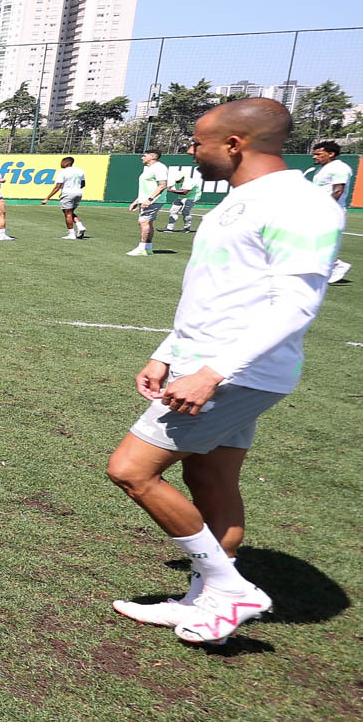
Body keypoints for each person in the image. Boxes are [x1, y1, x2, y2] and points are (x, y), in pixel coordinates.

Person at [105, 98, 344, 645]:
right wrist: (167, 351)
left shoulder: (298, 204)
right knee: (209, 477)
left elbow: (295, 304)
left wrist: (213, 372)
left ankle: (228, 588)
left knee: (131, 470)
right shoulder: (241, 201)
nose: (192, 152)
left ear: (234, 144)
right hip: (205, 362)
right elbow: (216, 295)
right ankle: (205, 601)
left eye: (198, 143)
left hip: (236, 372)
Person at [309, 140, 353, 283]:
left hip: (331, 212)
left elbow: (338, 191)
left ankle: (337, 265)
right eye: (314, 154)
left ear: (331, 154)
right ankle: (328, 267)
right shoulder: (322, 168)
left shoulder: (339, 168)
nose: (314, 157)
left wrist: (325, 208)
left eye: (318, 154)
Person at [126, 150, 169, 256]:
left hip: (153, 201)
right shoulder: (149, 168)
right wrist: (137, 201)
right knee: (147, 223)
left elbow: (162, 185)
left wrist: (149, 200)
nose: (142, 157)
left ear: (153, 156)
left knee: (143, 222)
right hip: (146, 200)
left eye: (144, 156)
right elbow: (147, 188)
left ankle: (142, 248)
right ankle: (148, 248)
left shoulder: (160, 167)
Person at [41, 156, 88, 239]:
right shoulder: (80, 171)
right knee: (70, 212)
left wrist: (47, 198)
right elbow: (83, 184)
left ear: (67, 163)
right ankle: (80, 226)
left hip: (68, 193)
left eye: (62, 162)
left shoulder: (63, 172)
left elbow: (57, 186)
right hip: (78, 193)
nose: (61, 164)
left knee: (67, 213)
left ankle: (71, 234)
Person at [161, 149, 201, 233]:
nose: (177, 182)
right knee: (173, 210)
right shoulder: (175, 179)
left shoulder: (189, 181)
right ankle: (169, 228)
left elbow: (184, 192)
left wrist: (170, 190)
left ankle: (187, 228)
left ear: (183, 178)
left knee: (185, 212)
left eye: (179, 180)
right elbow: (168, 186)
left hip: (192, 197)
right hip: (181, 197)